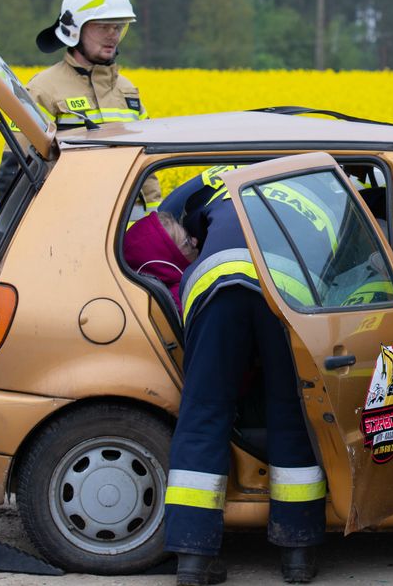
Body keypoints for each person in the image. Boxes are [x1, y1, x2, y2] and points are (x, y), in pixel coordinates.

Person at [164, 178, 327, 585]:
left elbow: (165, 219)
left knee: (203, 411)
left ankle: (193, 560)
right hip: (287, 287)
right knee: (292, 410)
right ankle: (298, 555)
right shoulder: (327, 180)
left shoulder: (219, 174)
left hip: (214, 283)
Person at [0, 0, 159, 210]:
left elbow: (148, 165)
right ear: (75, 30)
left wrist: (158, 220)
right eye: (103, 26)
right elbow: (17, 168)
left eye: (118, 27)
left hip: (129, 230)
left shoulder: (128, 92)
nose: (113, 35)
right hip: (70, 221)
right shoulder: (44, 89)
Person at [123, 211, 199, 309]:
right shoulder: (184, 297)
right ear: (166, 262)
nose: (195, 241)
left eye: (188, 233)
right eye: (187, 242)